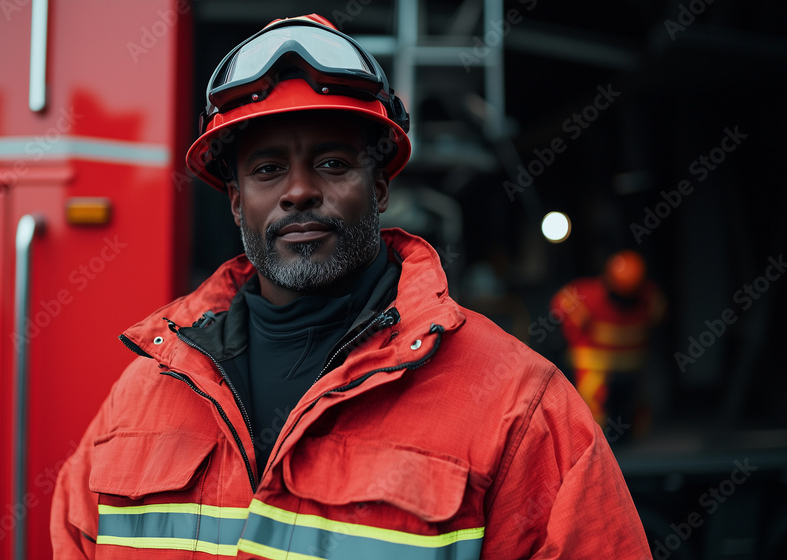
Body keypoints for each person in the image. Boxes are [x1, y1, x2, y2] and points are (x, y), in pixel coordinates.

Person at [51, 14, 650, 559]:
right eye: (266, 169)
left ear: (381, 188)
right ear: (236, 202)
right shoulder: (139, 397)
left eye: (333, 163)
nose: (299, 191)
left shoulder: (520, 407)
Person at [551, 250, 665, 434]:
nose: (625, 301)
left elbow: (658, 315)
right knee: (593, 417)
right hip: (594, 368)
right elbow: (561, 300)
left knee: (633, 414)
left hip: (632, 368)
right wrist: (576, 316)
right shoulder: (587, 295)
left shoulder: (650, 299)